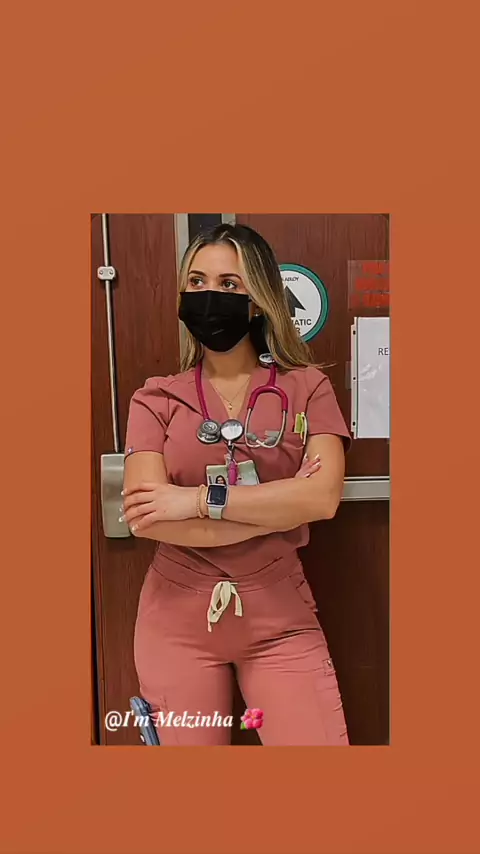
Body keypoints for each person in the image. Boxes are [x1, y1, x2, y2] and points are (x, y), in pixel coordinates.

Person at [121, 223, 351, 746]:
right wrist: (281, 509)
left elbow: (322, 498)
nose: (210, 296)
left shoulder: (307, 387)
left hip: (280, 619)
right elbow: (147, 517)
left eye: (229, 284)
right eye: (197, 282)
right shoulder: (154, 399)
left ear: (260, 297)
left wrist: (196, 500)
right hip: (174, 626)